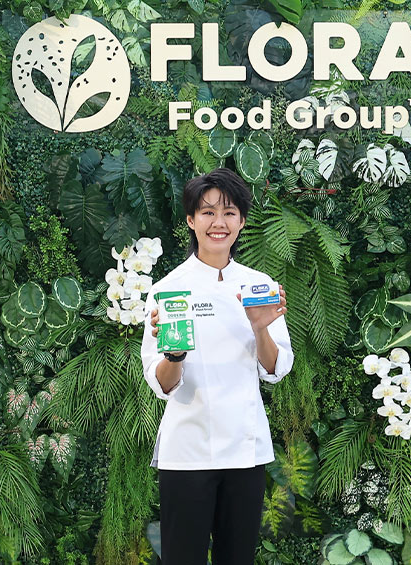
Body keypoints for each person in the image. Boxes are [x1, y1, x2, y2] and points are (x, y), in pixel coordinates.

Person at [140, 168, 294, 564]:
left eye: (228, 213)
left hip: (244, 450)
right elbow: (161, 383)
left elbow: (275, 369)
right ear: (191, 221)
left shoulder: (260, 286)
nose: (218, 223)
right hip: (187, 450)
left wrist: (260, 328)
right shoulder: (167, 290)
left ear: (241, 221)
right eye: (207, 212)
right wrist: (174, 355)